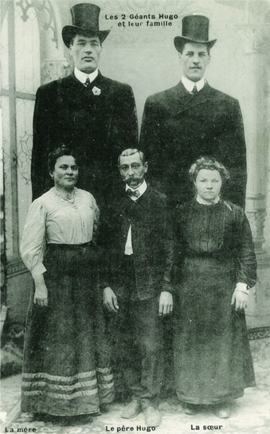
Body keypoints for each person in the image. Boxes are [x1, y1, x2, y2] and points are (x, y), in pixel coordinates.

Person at [20, 146, 114, 424]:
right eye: (63, 167)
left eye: (73, 167)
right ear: (51, 172)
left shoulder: (87, 198)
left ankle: (87, 401)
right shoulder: (43, 203)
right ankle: (48, 403)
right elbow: (31, 248)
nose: (70, 172)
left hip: (86, 273)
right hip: (56, 274)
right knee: (57, 336)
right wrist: (40, 284)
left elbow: (97, 234)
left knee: (86, 332)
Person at [172, 157, 257, 418]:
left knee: (221, 343)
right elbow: (173, 253)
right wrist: (169, 287)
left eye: (214, 181)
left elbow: (246, 252)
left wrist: (242, 287)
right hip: (190, 286)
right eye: (203, 180)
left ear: (222, 183)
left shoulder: (235, 213)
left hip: (223, 286)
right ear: (194, 183)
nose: (209, 186)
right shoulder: (182, 212)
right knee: (191, 341)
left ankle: (221, 399)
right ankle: (191, 398)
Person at [31, 3, 138, 207]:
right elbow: (39, 159)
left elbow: (129, 153)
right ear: (70, 48)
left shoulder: (121, 93)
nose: (87, 50)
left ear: (101, 48)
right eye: (81, 43)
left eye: (93, 43)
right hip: (63, 200)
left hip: (109, 200)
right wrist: (41, 208)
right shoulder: (49, 94)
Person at [140, 15, 246, 209]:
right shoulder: (158, 104)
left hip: (212, 208)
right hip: (170, 207)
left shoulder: (227, 105)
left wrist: (233, 216)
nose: (195, 61)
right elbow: (149, 167)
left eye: (201, 54)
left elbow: (237, 168)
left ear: (209, 58)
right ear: (179, 57)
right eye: (189, 54)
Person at [100, 149, 173, 427]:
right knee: (125, 342)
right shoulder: (112, 202)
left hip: (150, 283)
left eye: (135, 166)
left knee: (151, 344)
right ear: (120, 172)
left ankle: (151, 401)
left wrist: (167, 287)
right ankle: (135, 396)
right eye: (124, 168)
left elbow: (170, 248)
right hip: (120, 284)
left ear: (145, 168)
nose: (130, 172)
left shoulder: (160, 201)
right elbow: (104, 248)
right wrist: (106, 285)